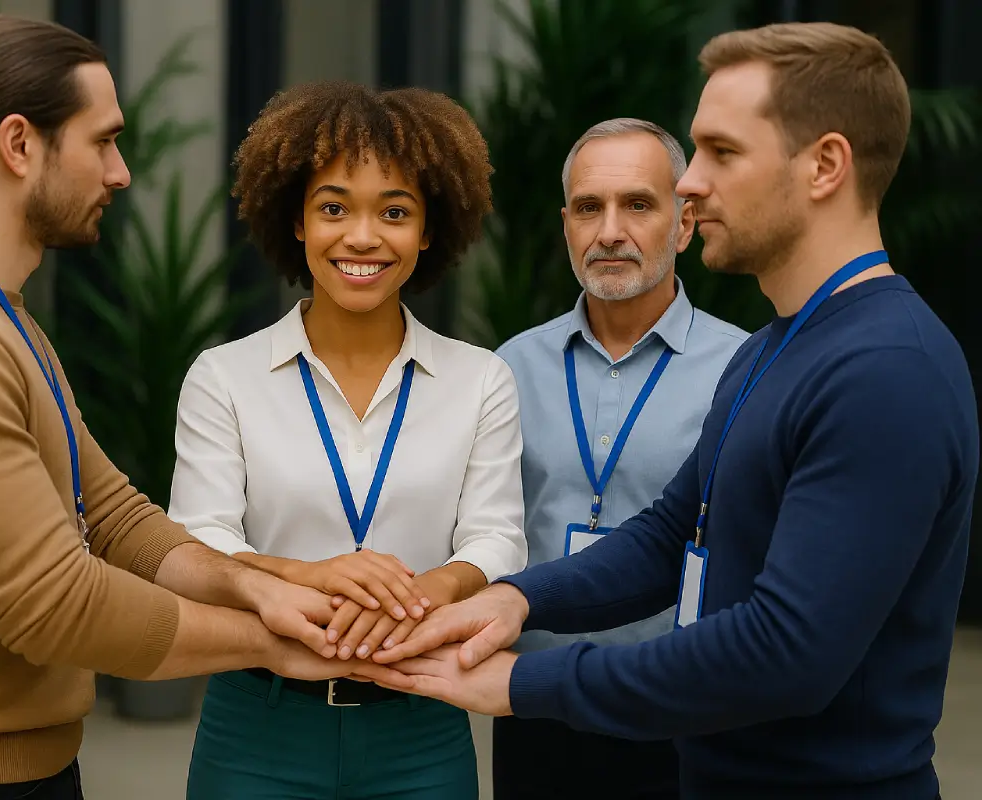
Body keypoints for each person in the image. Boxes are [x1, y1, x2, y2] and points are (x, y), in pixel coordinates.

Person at [371, 21, 978, 800]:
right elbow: (668, 536)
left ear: (826, 164)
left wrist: (525, 684)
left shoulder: (885, 371)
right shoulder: (774, 349)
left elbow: (784, 653)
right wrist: (514, 599)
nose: (690, 184)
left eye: (722, 153)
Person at [0, 16, 395, 800]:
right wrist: (279, 646)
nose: (121, 173)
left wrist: (268, 582)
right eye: (104, 141)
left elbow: (114, 517)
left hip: (21, 770)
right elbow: (52, 605)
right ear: (19, 145)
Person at [166, 80, 528, 799]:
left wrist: (421, 593)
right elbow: (197, 535)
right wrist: (311, 575)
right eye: (333, 207)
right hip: (258, 729)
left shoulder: (481, 379)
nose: (362, 237)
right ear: (298, 221)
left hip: (420, 718)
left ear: (428, 231)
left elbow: (494, 538)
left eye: (394, 212)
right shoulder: (224, 377)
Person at [491, 117, 747, 800]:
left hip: (683, 711)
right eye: (588, 208)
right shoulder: (506, 369)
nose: (609, 230)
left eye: (637, 204)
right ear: (566, 227)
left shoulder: (746, 370)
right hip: (535, 708)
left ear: (684, 224)